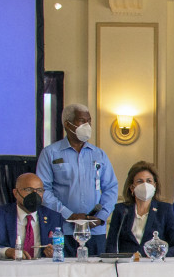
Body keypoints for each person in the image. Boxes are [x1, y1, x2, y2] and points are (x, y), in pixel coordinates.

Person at [35, 103, 118, 255]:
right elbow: (43, 190)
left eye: (89, 121)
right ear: (68, 124)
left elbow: (111, 188)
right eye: (82, 121)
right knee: (62, 269)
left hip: (94, 231)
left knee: (97, 269)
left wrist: (101, 217)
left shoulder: (99, 154)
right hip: (63, 230)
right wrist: (69, 215)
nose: (87, 125)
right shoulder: (50, 153)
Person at [0, 172, 66, 259]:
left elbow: (63, 251)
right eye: (28, 189)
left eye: (39, 190)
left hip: (41, 269)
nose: (35, 194)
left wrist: (54, 253)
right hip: (8, 269)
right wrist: (6, 251)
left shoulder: (54, 217)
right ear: (16, 193)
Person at [104, 161, 174, 257]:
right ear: (132, 187)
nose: (145, 185)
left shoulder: (164, 209)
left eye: (149, 181)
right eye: (140, 181)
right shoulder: (121, 210)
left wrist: (158, 253)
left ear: (154, 186)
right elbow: (111, 246)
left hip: (153, 263)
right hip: (126, 264)